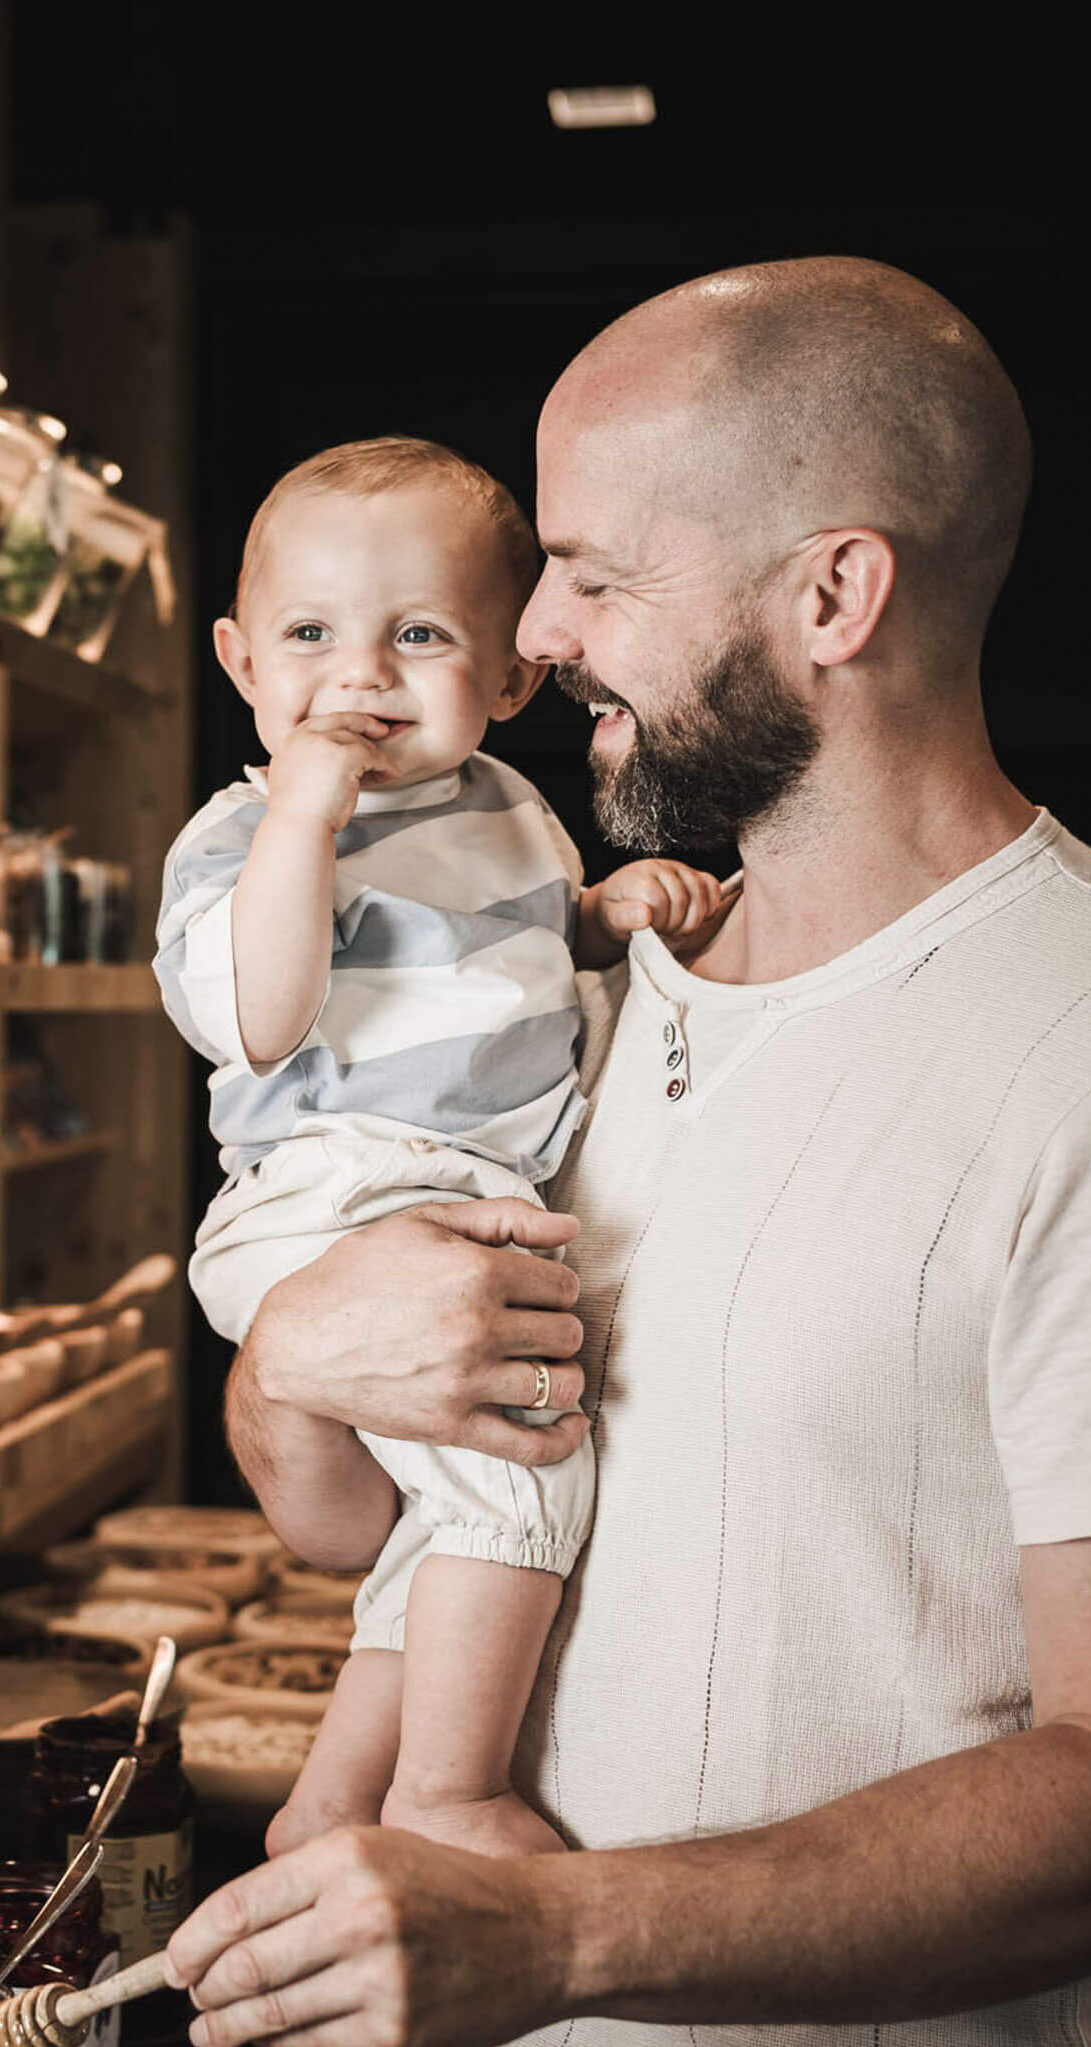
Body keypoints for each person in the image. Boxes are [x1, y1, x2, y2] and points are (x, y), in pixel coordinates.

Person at [161, 256, 1091, 2047]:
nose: (533, 629)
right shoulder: (564, 1006)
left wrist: (563, 1935)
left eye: (596, 575)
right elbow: (360, 1528)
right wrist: (289, 1362)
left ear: (835, 595)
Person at [155, 438, 722, 1862]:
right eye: (309, 636)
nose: (359, 678)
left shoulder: (509, 809)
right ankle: (450, 1792)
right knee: (524, 1458)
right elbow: (264, 1020)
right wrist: (302, 818)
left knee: (450, 1513)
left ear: (514, 675)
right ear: (239, 662)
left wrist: (600, 919)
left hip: (454, 1191)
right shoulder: (245, 837)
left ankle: (334, 1801)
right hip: (332, 1189)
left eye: (417, 635)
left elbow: (515, 957)